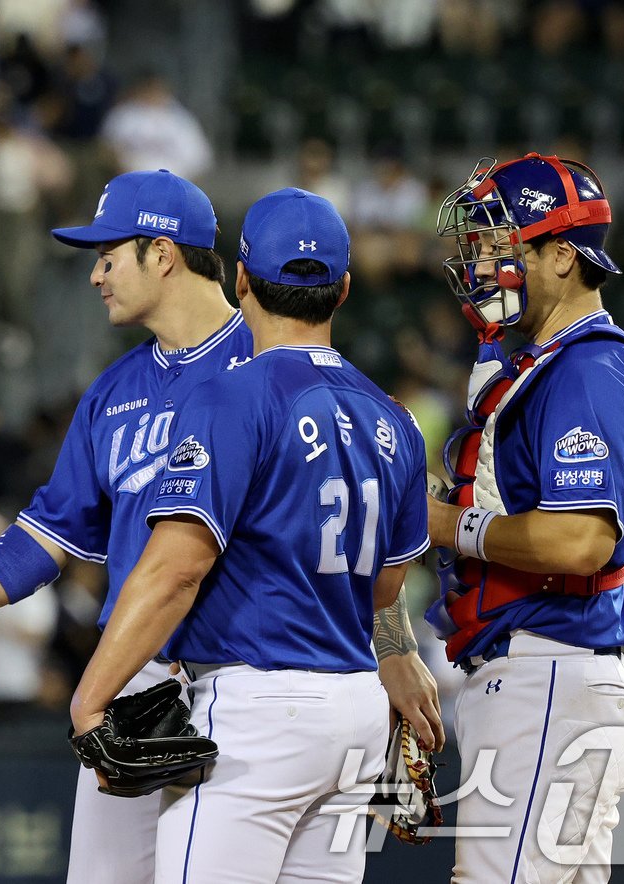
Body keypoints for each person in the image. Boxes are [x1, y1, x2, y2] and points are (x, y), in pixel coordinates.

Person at [0, 172, 440, 884]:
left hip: (233, 681)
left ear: (163, 253)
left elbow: (330, 544)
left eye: (108, 254)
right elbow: (48, 534)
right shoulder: (114, 391)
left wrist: (394, 649)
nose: (96, 273)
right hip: (139, 690)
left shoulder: (262, 365)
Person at [68, 188, 432, 883]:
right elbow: (387, 585)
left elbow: (174, 572)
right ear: (344, 289)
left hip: (258, 711)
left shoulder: (231, 397)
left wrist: (92, 698)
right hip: (356, 711)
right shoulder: (396, 420)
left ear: (241, 280)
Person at [428, 152, 624, 883]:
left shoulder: (585, 367)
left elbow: (583, 540)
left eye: (503, 245)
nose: (486, 264)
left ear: (562, 255)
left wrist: (448, 524)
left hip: (551, 672)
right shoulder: (550, 359)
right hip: (553, 674)